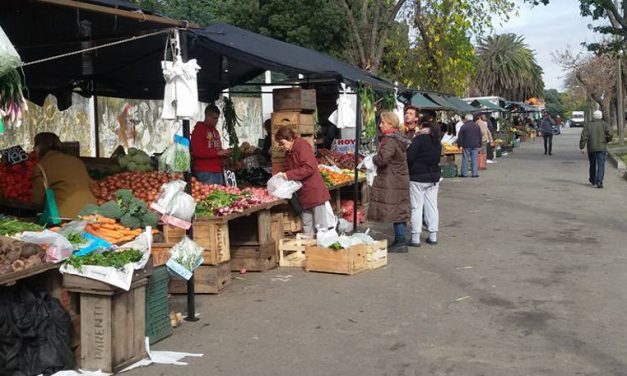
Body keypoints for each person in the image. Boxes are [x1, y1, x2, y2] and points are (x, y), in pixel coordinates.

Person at [274, 126, 332, 235]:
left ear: (290, 138)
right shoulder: (289, 153)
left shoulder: (302, 146)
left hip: (314, 190)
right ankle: (308, 247)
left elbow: (309, 167)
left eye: (282, 143)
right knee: (306, 223)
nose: (282, 146)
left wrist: (289, 175)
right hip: (303, 192)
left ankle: (324, 248)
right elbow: (289, 168)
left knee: (320, 225)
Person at [367, 112, 411, 253]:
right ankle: (400, 239)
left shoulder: (389, 139)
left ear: (390, 124)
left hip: (392, 179)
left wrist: (372, 159)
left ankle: (400, 241)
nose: (380, 125)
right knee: (398, 208)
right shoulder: (399, 138)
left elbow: (383, 158)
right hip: (399, 178)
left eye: (383, 122)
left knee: (396, 210)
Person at [30, 132, 97, 219]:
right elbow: (92, 186)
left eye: (35, 146)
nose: (34, 149)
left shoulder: (41, 166)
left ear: (39, 147)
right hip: (92, 213)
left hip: (64, 217)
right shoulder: (77, 161)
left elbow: (37, 201)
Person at [407, 121, 441, 247]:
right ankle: (433, 235)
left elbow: (409, 157)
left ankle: (415, 238)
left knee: (417, 207)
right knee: (432, 206)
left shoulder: (419, 139)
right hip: (433, 177)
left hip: (417, 177)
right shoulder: (437, 140)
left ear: (423, 127)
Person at [191, 104, 232, 185]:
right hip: (205, 171)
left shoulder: (215, 131)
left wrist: (224, 155)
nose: (216, 121)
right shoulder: (199, 130)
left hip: (218, 170)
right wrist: (218, 153)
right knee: (210, 196)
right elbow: (197, 152)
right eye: (214, 118)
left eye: (217, 118)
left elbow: (216, 149)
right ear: (207, 116)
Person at [580, 110, 613, 188]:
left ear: (593, 116)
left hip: (591, 148)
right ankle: (599, 181)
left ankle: (592, 179)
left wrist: (582, 146)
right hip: (602, 147)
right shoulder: (604, 124)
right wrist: (606, 140)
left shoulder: (588, 125)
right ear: (601, 116)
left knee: (592, 164)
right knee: (601, 165)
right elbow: (610, 134)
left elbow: (584, 136)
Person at [458, 113, 482, 178]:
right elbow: (480, 136)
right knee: (474, 159)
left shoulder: (464, 126)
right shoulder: (477, 126)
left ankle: (464, 173)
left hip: (466, 145)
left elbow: (460, 137)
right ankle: (475, 174)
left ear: (466, 119)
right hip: (475, 145)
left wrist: (459, 145)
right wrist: (480, 145)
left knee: (465, 159)